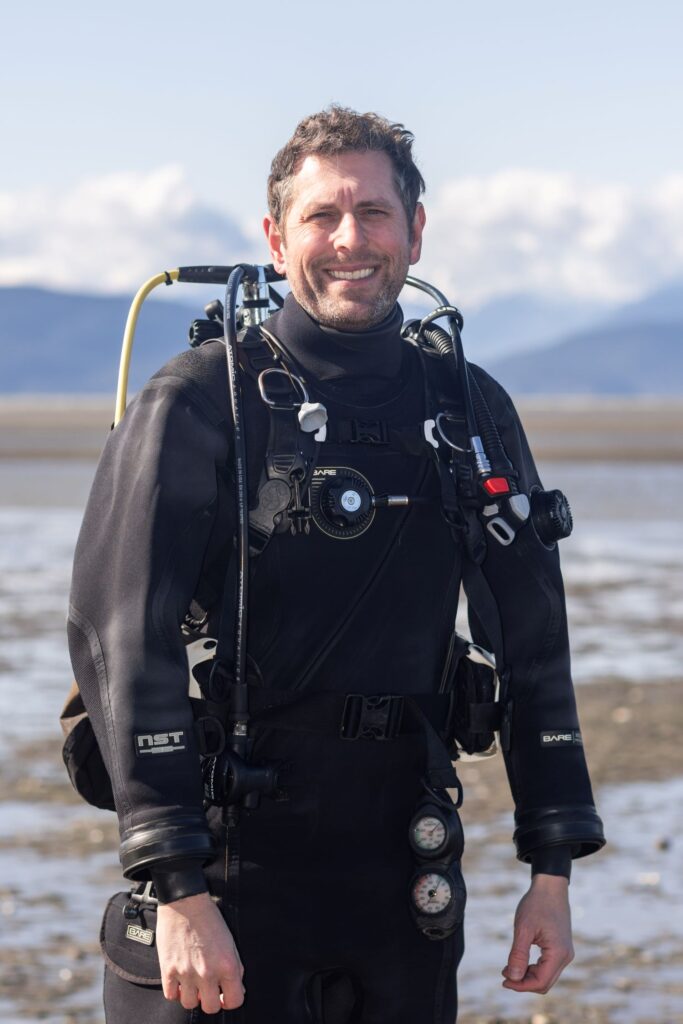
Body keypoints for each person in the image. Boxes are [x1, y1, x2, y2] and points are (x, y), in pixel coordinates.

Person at [68, 106, 605, 1023]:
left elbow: (533, 647)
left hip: (403, 872)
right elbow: (122, 644)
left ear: (415, 230)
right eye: (321, 216)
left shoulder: (467, 407)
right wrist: (180, 890)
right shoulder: (203, 400)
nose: (349, 239)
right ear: (277, 238)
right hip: (234, 869)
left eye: (373, 213)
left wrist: (548, 871)